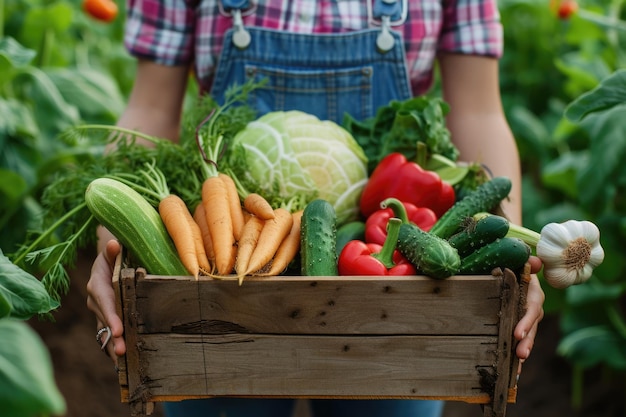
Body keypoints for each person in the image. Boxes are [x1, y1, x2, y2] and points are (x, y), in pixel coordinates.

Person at [87, 1, 545, 416]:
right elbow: (151, 107)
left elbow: (478, 112)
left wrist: (518, 259)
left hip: (390, 295)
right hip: (218, 275)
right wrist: (113, 244)